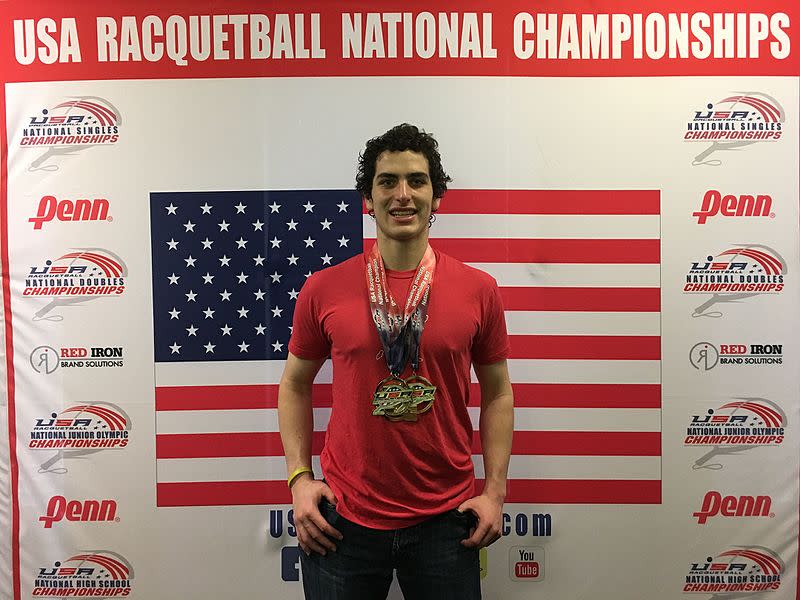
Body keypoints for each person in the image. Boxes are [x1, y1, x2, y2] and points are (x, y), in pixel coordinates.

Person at [278, 123, 514, 600]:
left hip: (447, 521)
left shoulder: (479, 289)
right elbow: (294, 385)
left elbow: (499, 392)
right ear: (368, 198)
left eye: (417, 180)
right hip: (344, 520)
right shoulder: (323, 288)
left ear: (437, 197)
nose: (402, 195)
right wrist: (300, 479)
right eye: (387, 181)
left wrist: (494, 492)